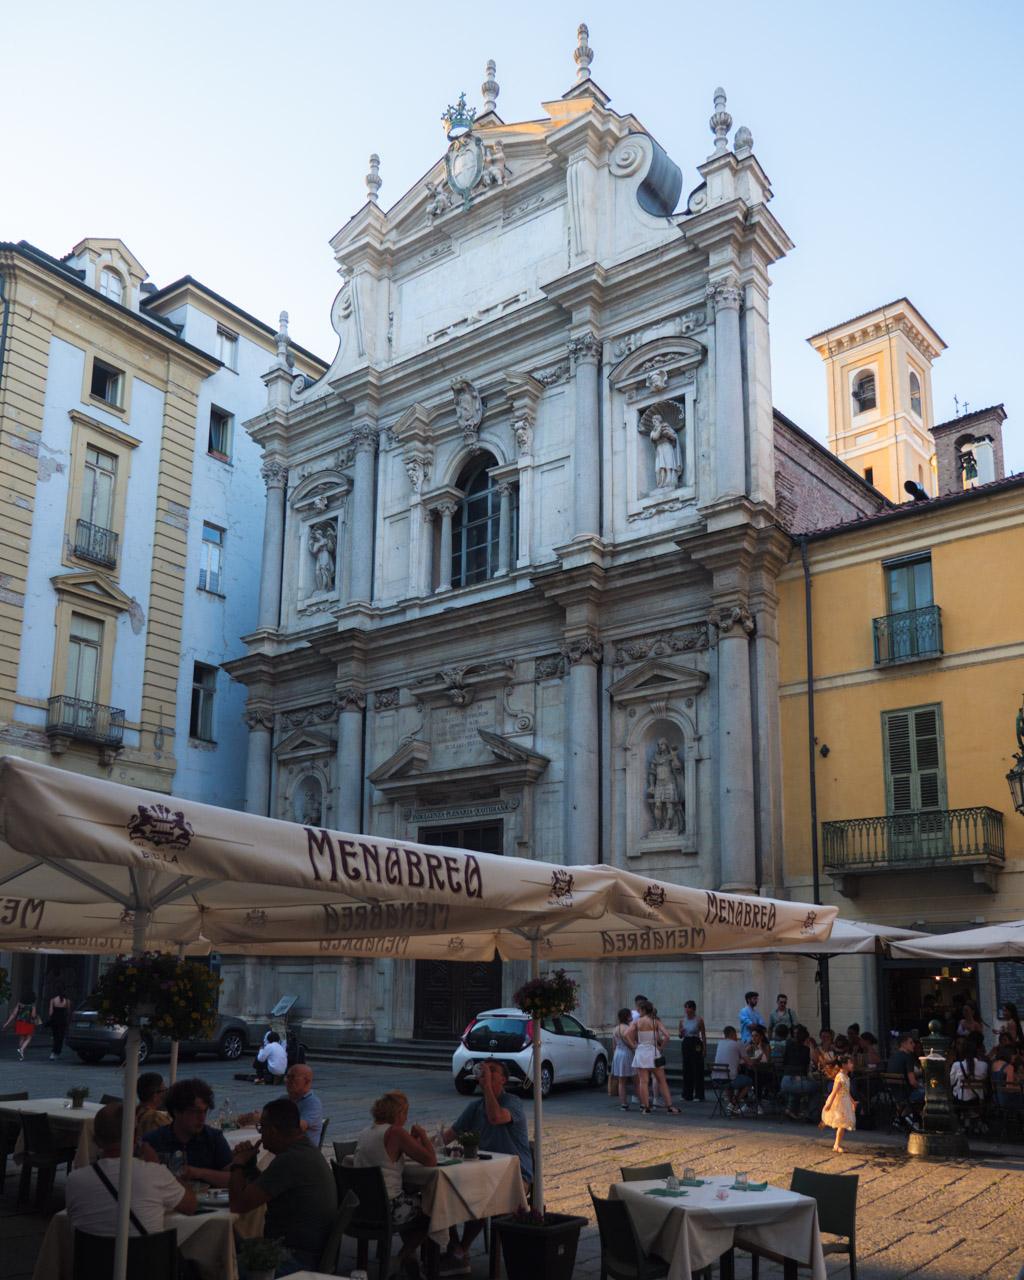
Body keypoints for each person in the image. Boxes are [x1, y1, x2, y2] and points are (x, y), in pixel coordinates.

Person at [441, 1060, 533, 1275]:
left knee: (482, 1195)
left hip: (515, 1177)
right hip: (481, 1173)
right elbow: (447, 1137)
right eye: (485, 1070)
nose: (487, 1073)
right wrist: (421, 1145)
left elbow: (495, 1117)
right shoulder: (474, 1107)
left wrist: (487, 1088)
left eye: (494, 1071)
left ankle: (460, 1251)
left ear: (503, 1079)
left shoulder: (513, 1102)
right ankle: (456, 1248)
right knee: (444, 1193)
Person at [228, 1098, 337, 1276]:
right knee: (229, 1239)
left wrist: (238, 1164)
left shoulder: (290, 1160)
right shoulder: (304, 1150)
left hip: (293, 1258)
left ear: (273, 1131)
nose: (260, 1135)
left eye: (261, 1128)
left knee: (220, 1267)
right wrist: (249, 1166)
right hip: (305, 1251)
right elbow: (265, 1188)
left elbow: (238, 1205)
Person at [66, 1102, 196, 1236]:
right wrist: (158, 1166)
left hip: (90, 1256)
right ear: (133, 1137)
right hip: (146, 1256)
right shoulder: (154, 1173)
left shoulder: (74, 1180)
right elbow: (191, 1206)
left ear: (96, 1140)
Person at [353, 1090, 435, 1280]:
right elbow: (430, 1160)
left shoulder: (366, 1131)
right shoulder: (396, 1132)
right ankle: (401, 1258)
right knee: (433, 1210)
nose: (406, 1118)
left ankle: (410, 1259)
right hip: (388, 1208)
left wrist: (411, 1141)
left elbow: (391, 1155)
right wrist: (422, 1135)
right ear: (398, 1114)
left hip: (361, 1207)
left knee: (412, 1201)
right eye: (405, 1113)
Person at [142, 1077, 233, 1187]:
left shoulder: (213, 1138)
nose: (202, 1118)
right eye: (195, 1112)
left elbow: (233, 1179)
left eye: (205, 1111)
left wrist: (200, 1173)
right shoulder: (153, 1141)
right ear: (176, 1111)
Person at [712, 1025, 753, 1115]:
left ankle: (732, 1107)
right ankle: (733, 1103)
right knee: (749, 1081)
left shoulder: (720, 1043)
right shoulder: (738, 1044)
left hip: (716, 1079)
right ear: (733, 1034)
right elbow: (749, 1063)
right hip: (729, 1079)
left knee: (730, 1080)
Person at [820, 1054, 857, 1153]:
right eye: (850, 1063)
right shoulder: (840, 1077)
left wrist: (852, 1102)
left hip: (845, 1102)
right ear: (844, 1065)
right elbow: (834, 1092)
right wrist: (829, 1104)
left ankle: (836, 1144)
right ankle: (836, 1145)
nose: (852, 1065)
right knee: (841, 1124)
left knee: (842, 1125)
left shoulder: (846, 1077)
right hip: (840, 1103)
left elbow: (846, 1091)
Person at [780, 1024, 817, 1121]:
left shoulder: (788, 1047)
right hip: (795, 1080)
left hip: (784, 1081)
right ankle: (811, 1113)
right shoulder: (805, 1050)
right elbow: (811, 1064)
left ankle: (790, 1109)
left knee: (799, 1086)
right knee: (816, 1087)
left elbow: (784, 1062)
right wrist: (811, 1046)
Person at [887, 1032, 925, 1125]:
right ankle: (917, 1120)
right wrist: (922, 1086)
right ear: (903, 1044)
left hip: (895, 1094)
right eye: (911, 1043)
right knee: (929, 1093)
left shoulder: (893, 1057)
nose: (914, 1045)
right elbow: (912, 1082)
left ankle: (901, 1117)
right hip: (906, 1094)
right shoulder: (908, 1057)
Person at [283, 1063, 324, 1147]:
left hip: (302, 1152)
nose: (288, 1080)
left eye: (292, 1077)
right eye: (287, 1077)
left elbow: (299, 1127)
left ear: (307, 1081)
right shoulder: (284, 1099)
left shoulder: (312, 1103)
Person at [678, 999, 706, 1102]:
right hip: (686, 1042)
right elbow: (680, 1035)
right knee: (686, 1068)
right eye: (686, 1007)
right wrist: (681, 1032)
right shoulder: (682, 1020)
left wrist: (704, 1048)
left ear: (693, 1009)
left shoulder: (699, 1020)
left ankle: (699, 1094)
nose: (687, 1009)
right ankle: (687, 1094)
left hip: (696, 1042)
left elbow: (703, 1035)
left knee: (697, 1068)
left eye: (689, 1007)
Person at [950, 1037, 989, 1103]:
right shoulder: (984, 1065)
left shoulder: (957, 1065)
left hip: (961, 1100)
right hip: (978, 1100)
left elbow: (952, 1082)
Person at [3, 989, 39, 1060]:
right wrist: (36, 1019)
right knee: (29, 1037)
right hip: (28, 1023)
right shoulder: (32, 1005)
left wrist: (7, 1023)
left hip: (20, 1022)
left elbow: (14, 1014)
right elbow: (33, 1016)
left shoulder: (19, 1004)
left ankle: (21, 1055)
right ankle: (22, 1049)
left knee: (22, 1037)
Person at [611, 1008, 635, 1110]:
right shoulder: (627, 1028)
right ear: (627, 1016)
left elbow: (614, 1045)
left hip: (617, 1054)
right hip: (626, 1054)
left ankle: (623, 1104)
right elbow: (631, 1043)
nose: (632, 1017)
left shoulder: (615, 1028)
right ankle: (644, 1102)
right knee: (636, 1080)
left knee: (621, 1081)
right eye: (630, 1015)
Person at [135, 1072, 171, 1138]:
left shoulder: (134, 1113)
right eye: (164, 1090)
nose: (165, 1093)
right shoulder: (156, 1119)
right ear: (154, 1095)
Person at [48, 986, 70, 1060]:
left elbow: (50, 1012)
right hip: (62, 1020)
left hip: (55, 1020)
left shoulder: (53, 1000)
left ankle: (53, 1052)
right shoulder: (67, 1001)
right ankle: (57, 1052)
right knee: (60, 1037)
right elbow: (68, 1011)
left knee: (55, 1036)